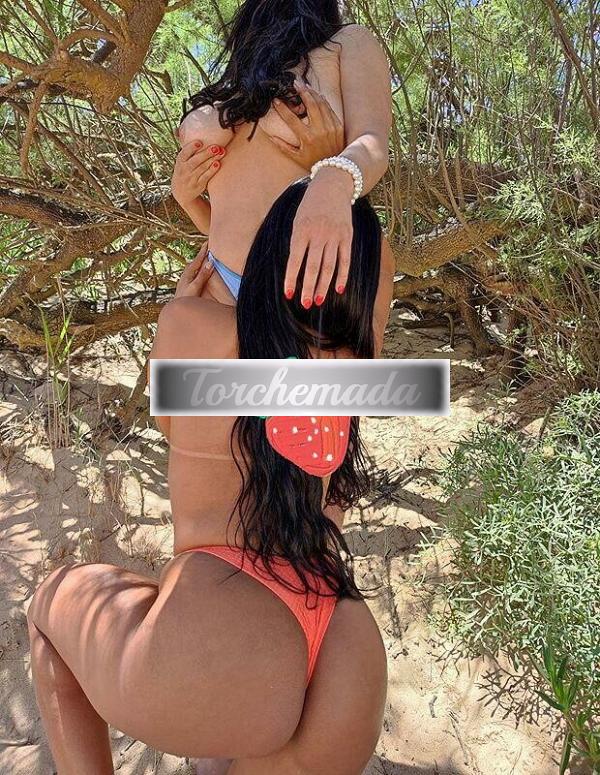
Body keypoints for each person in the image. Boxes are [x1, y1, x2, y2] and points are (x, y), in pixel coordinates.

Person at [27, 177, 393, 775]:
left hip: (227, 633)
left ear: (267, 255)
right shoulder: (357, 370)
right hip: (345, 647)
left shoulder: (191, 326)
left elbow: (174, 424)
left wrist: (187, 292)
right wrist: (343, 177)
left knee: (49, 604)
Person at [171, 0, 392, 309]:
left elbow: (373, 142)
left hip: (312, 276)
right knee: (172, 333)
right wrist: (186, 199)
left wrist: (333, 177)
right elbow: (236, 218)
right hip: (218, 283)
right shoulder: (238, 78)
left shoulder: (347, 42)